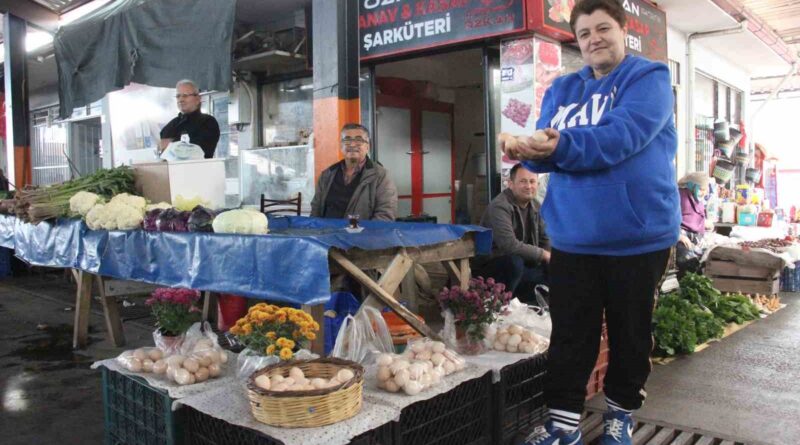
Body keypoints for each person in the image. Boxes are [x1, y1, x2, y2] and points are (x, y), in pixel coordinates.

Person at [501, 1, 680, 444]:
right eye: (584, 33)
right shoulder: (562, 89)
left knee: (630, 335)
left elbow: (621, 137)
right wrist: (520, 146)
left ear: (623, 31)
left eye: (603, 28)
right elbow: (544, 150)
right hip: (573, 237)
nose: (594, 38)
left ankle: (619, 418)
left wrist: (555, 145)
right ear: (577, 41)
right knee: (570, 337)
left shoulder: (649, 79)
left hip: (636, 237)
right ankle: (563, 427)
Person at [473, 163, 550, 300]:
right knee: (514, 262)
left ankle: (539, 308)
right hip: (491, 268)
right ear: (510, 184)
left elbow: (545, 239)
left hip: (521, 267)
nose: (529, 186)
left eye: (532, 181)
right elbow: (509, 246)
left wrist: (553, 257)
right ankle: (499, 307)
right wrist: (543, 254)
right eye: (523, 181)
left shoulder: (536, 206)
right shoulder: (500, 207)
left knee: (555, 266)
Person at [310, 123, 398, 221]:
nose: (352, 144)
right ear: (341, 145)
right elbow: (315, 210)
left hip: (362, 235)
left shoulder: (381, 176)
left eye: (359, 140)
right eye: (347, 140)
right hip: (327, 234)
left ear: (367, 146)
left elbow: (385, 214)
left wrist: (362, 234)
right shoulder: (327, 174)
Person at [159, 79, 220, 159]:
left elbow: (200, 150)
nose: (180, 100)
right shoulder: (171, 125)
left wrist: (171, 144)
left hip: (198, 169)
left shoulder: (208, 122)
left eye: (185, 95)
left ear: (197, 99)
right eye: (178, 96)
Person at [676, 172, 712, 276]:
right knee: (688, 261)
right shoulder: (679, 196)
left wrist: (706, 225)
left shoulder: (697, 199)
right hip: (681, 237)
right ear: (692, 186)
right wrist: (679, 235)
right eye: (701, 189)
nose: (703, 193)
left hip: (697, 237)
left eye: (705, 190)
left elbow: (695, 218)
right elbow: (670, 218)